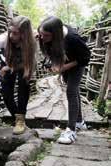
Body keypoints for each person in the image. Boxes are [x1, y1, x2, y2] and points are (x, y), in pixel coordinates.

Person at [37, 16, 90, 144]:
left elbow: (85, 58)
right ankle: (79, 122)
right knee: (73, 90)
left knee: (71, 91)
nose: (42, 38)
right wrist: (53, 64)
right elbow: (49, 52)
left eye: (46, 35)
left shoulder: (73, 39)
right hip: (64, 62)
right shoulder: (44, 36)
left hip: (77, 63)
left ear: (56, 34)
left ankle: (71, 130)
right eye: (41, 34)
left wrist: (64, 67)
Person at [0, 16, 36, 135]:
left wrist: (11, 67)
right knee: (6, 93)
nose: (11, 36)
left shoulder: (32, 41)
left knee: (23, 86)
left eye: (16, 33)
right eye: (10, 31)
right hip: (6, 63)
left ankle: (20, 120)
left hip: (24, 65)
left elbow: (28, 63)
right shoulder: (3, 39)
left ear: (25, 34)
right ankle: (17, 118)